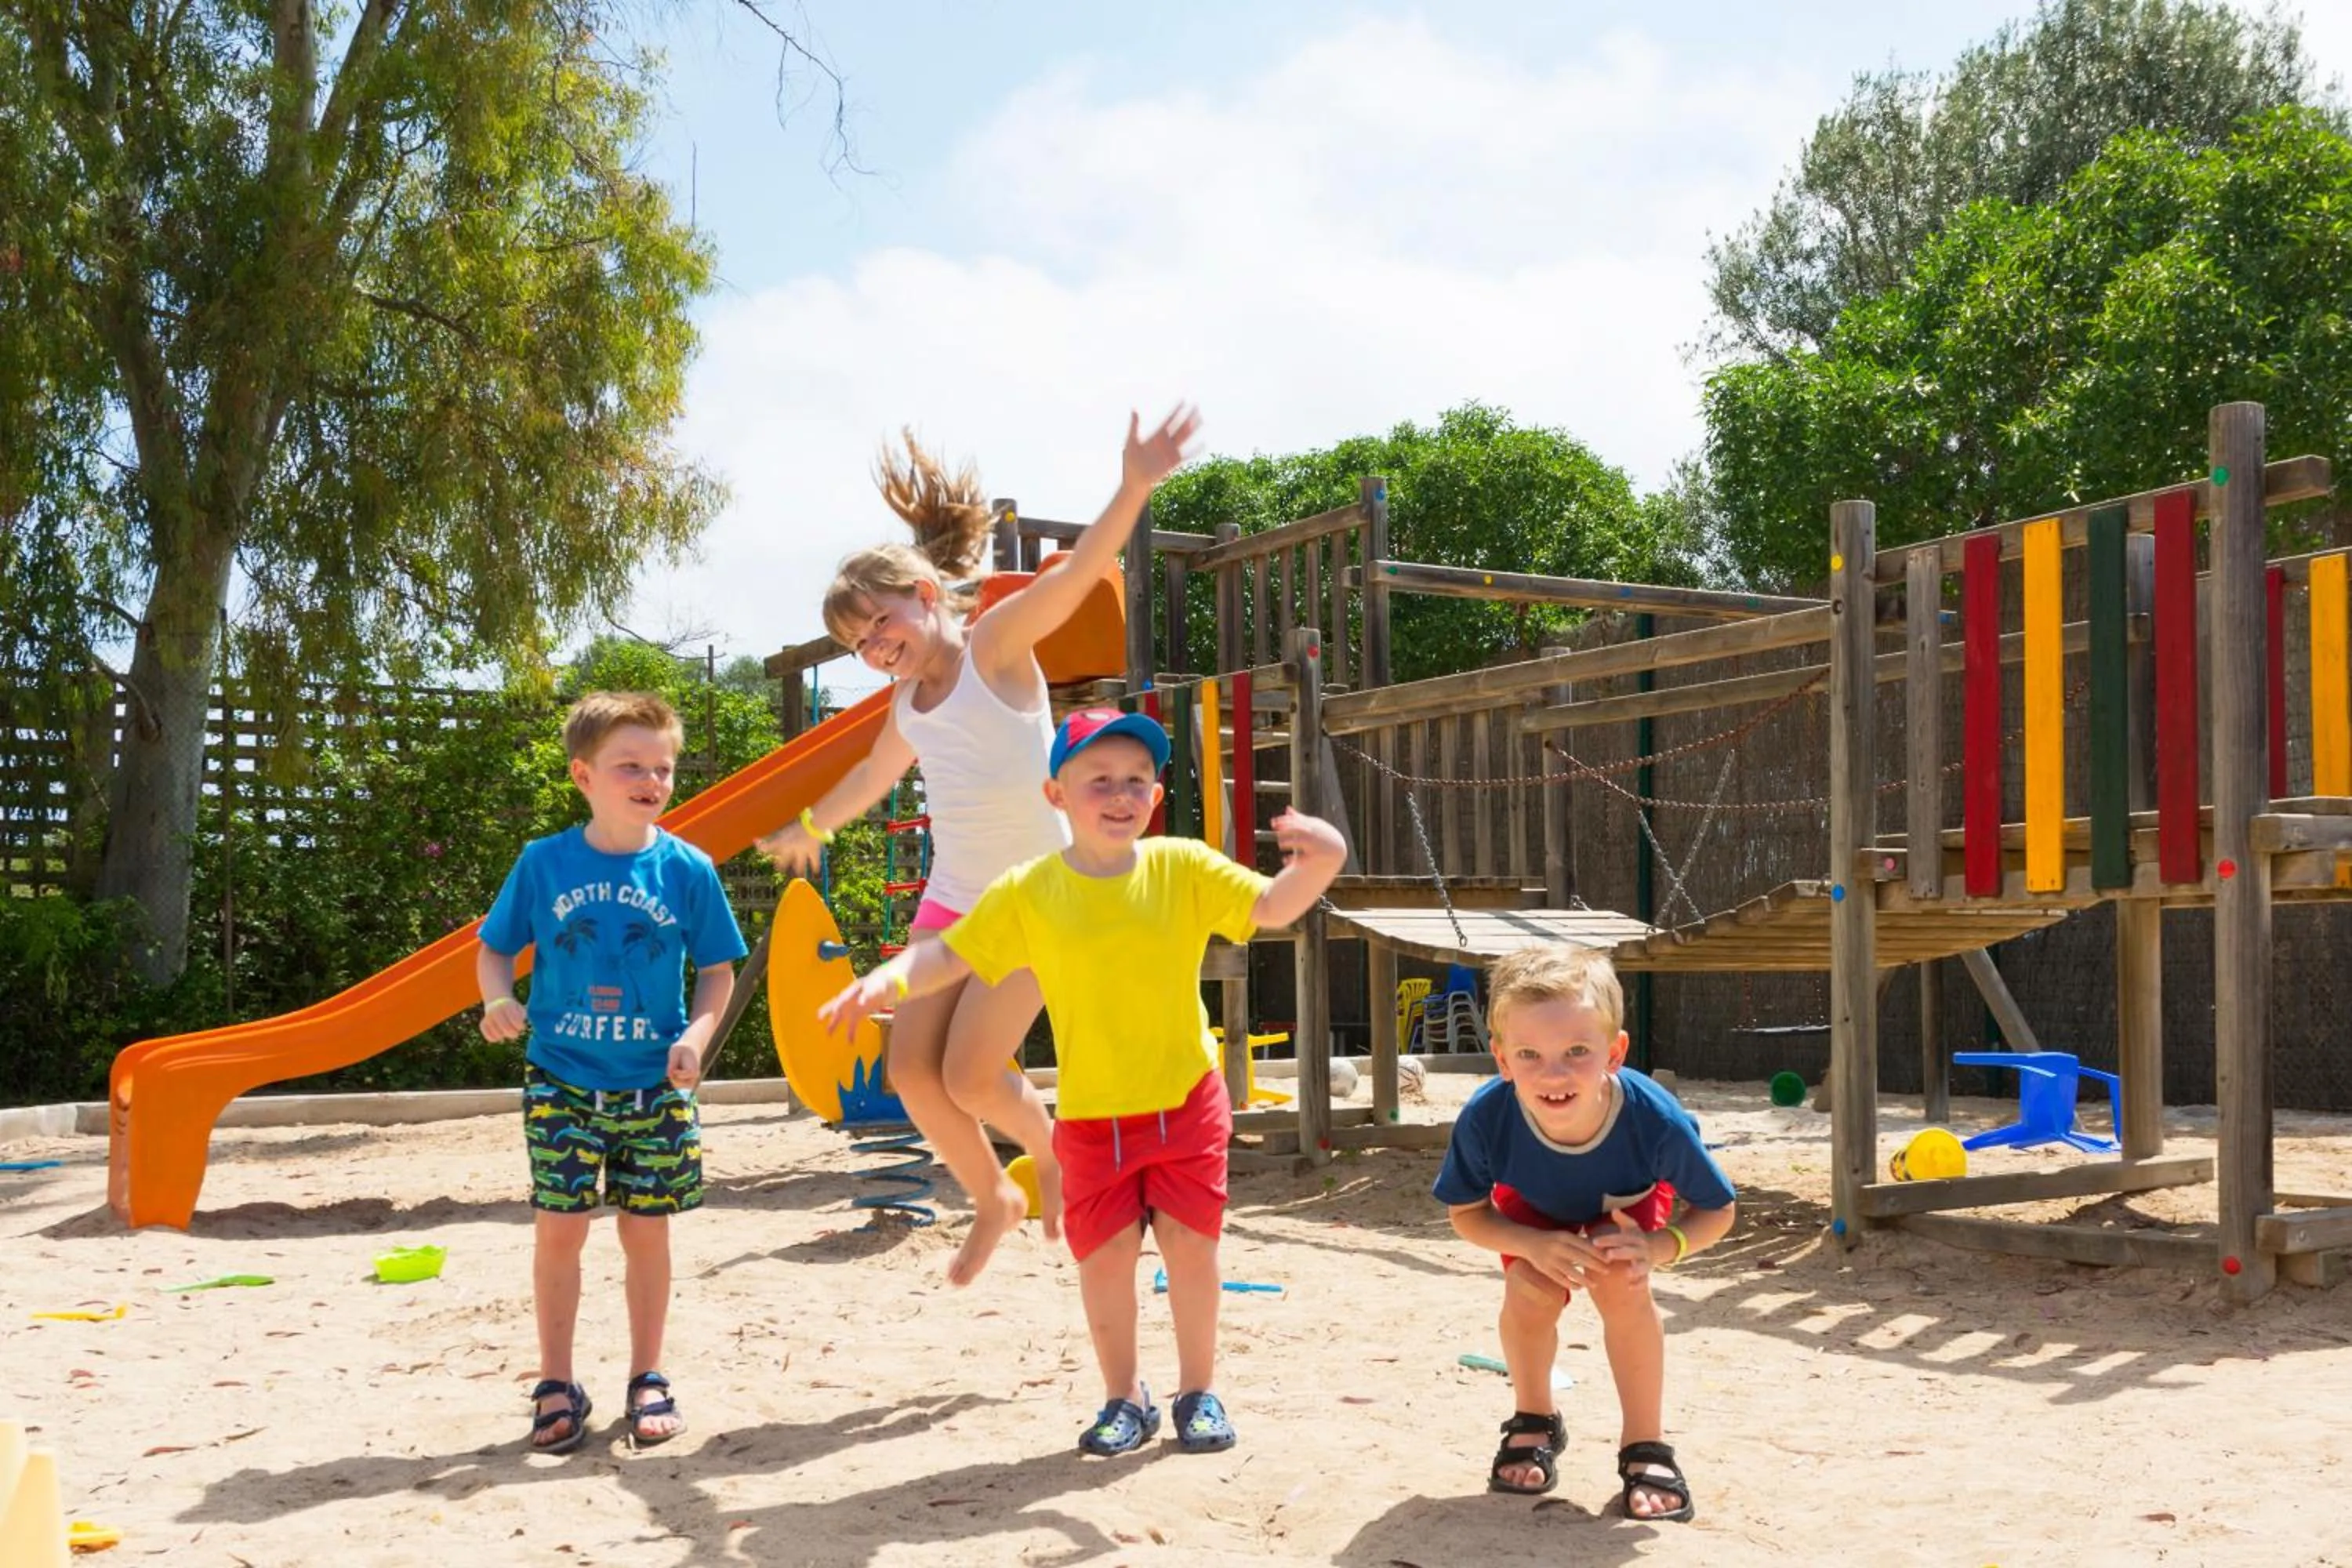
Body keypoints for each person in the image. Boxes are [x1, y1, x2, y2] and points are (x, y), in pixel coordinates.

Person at [819, 707, 1347, 1457]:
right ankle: (1123, 1397)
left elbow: (1269, 907)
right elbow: (949, 957)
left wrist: (1319, 862)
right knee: (1104, 1265)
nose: (1120, 793)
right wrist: (889, 979)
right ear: (1056, 795)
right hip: (1094, 1116)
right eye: (1098, 779)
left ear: (1155, 798)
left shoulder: (1182, 865)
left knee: (1191, 1250)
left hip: (1186, 1102)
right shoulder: (1030, 890)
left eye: (1136, 780)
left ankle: (1198, 1391)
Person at [759, 407, 1201, 1287]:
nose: (875, 647)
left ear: (925, 595)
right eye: (859, 644)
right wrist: (810, 826)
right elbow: (873, 779)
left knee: (969, 1073)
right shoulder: (904, 706)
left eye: (880, 624)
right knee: (912, 1071)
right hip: (954, 901)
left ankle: (1055, 1157)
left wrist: (1136, 483)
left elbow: (1078, 573)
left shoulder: (994, 647)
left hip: (1038, 901)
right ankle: (994, 1193)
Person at [477, 691, 748, 1454]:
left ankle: (648, 1376)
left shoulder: (688, 868)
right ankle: (557, 1384)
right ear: (583, 773)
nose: (651, 778)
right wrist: (497, 997)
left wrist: (698, 1035)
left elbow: (718, 970)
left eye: (662, 766)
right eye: (630, 764)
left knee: (646, 1234)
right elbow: (495, 947)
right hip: (561, 1081)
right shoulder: (544, 862)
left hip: (655, 1089)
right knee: (560, 1232)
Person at [1432, 946, 1736, 1522]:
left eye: (1577, 1051)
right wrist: (1531, 1245)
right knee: (1530, 1288)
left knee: (1622, 1278)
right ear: (1500, 1059)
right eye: (1530, 1054)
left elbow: (1717, 1209)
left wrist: (1659, 1246)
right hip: (1531, 1211)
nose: (1554, 1073)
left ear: (1614, 1052)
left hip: (1627, 1206)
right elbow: (1468, 1214)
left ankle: (1645, 1443)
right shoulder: (1487, 1117)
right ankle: (1534, 1419)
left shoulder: (1654, 1118)